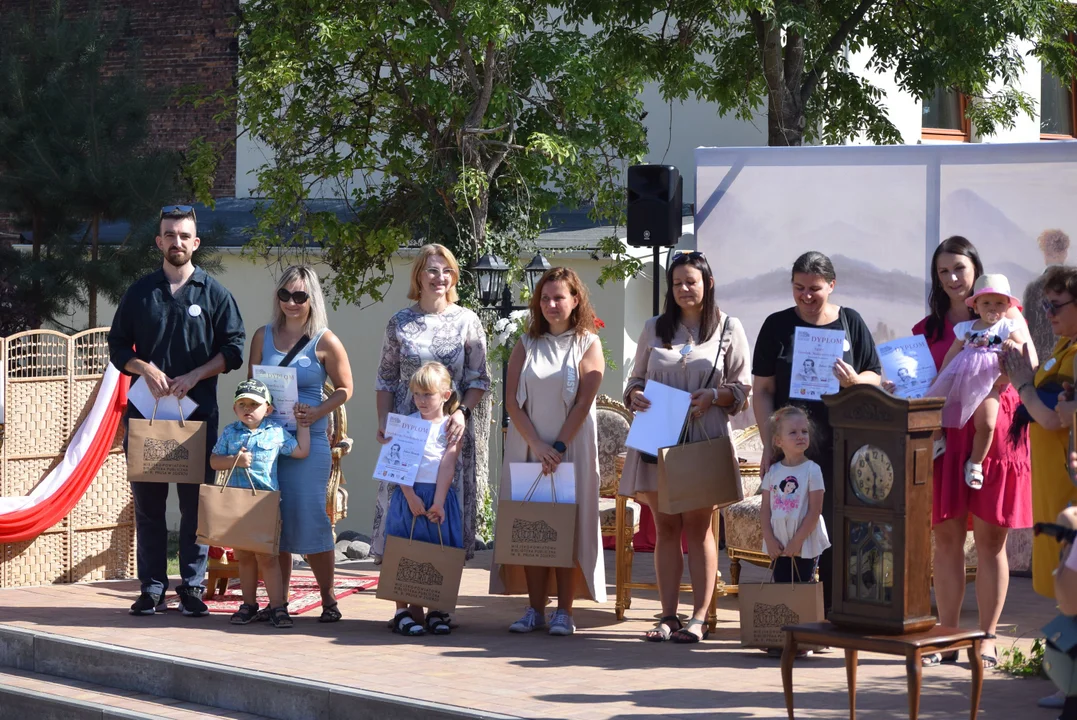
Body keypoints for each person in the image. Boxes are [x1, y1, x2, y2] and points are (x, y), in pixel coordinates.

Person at [108, 204, 246, 617]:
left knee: (194, 507)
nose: (177, 242)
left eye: (184, 235)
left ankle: (192, 588)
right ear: (159, 241)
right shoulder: (140, 292)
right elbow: (117, 347)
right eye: (170, 234)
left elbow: (234, 349)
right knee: (148, 507)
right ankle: (151, 588)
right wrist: (144, 368)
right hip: (147, 417)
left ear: (196, 242)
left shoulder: (215, 293)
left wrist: (197, 375)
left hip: (196, 418)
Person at [911, 237, 1031, 670]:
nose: (952, 279)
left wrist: (1005, 377)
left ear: (975, 270)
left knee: (989, 540)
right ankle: (946, 631)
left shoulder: (1009, 315)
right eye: (943, 272)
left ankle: (986, 635)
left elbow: (1028, 368)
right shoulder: (929, 329)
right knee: (944, 540)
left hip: (995, 432)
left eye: (959, 269)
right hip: (946, 434)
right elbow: (923, 382)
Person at [619, 251, 751, 643]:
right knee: (665, 527)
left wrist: (715, 394)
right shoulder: (654, 327)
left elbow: (742, 388)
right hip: (657, 433)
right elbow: (635, 378)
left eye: (691, 281)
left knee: (698, 528)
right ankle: (668, 615)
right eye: (676, 283)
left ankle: (699, 618)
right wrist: (635, 395)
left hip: (704, 436)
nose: (683, 289)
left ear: (707, 283)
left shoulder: (729, 328)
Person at [752, 250, 881, 614]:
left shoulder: (850, 321)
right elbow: (762, 391)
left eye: (815, 288)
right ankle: (790, 618)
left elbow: (874, 372)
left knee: (837, 530)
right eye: (798, 288)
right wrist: (769, 444)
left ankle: (836, 612)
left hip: (841, 449)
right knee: (788, 529)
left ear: (832, 285)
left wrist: (855, 381)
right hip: (790, 455)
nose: (807, 296)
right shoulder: (776, 325)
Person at [491, 267, 605, 637]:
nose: (552, 304)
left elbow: (585, 401)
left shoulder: (588, 342)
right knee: (533, 526)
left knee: (566, 527)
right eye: (545, 298)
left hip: (570, 449)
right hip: (529, 448)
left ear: (575, 301)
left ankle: (565, 612)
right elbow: (511, 401)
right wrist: (538, 446)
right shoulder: (526, 342)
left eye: (559, 297)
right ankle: (534, 609)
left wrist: (557, 447)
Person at [246, 265, 353, 623]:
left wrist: (317, 410)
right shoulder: (262, 336)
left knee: (311, 520)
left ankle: (328, 598)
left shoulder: (325, 340)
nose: (292, 302)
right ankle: (280, 602)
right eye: (285, 295)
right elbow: (251, 388)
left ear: (312, 300)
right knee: (276, 523)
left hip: (310, 444)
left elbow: (345, 388)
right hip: (270, 444)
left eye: (300, 296)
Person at [373, 244, 489, 563]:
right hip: (407, 427)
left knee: (442, 509)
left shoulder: (467, 321)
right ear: (419, 276)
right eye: (432, 270)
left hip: (449, 428)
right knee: (404, 506)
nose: (440, 277)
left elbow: (480, 380)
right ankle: (404, 604)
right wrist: (383, 420)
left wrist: (462, 413)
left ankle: (439, 599)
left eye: (447, 270)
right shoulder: (400, 322)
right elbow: (385, 379)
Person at [210, 379, 310, 629]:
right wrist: (235, 459)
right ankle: (248, 604)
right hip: (237, 503)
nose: (247, 408)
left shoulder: (275, 433)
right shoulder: (230, 432)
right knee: (243, 555)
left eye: (254, 404)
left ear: (268, 409)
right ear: (234, 409)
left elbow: (300, 451)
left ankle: (278, 606)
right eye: (242, 404)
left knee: (267, 557)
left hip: (265, 503)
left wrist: (303, 425)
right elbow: (213, 461)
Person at [925, 273, 1031, 489]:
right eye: (986, 302)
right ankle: (938, 440)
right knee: (931, 404)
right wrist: (941, 375)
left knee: (987, 423)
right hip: (962, 378)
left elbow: (1024, 348)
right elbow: (952, 353)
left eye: (999, 303)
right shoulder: (966, 328)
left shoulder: (1007, 326)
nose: (993, 307)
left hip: (989, 383)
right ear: (976, 306)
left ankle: (975, 463)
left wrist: (1014, 346)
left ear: (1008, 305)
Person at [384, 362, 464, 637]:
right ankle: (402, 611)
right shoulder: (406, 424)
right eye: (416, 394)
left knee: (438, 549)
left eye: (427, 394)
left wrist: (439, 501)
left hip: (438, 497)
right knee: (406, 549)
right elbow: (398, 463)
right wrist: (409, 496)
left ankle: (437, 609)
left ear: (445, 394)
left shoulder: (450, 426)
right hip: (410, 496)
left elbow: (447, 464)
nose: (420, 400)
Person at [760, 405, 829, 656]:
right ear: (778, 441)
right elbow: (765, 509)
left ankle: (805, 637)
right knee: (781, 585)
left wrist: (798, 541)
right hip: (779, 539)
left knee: (802, 585)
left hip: (804, 539)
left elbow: (814, 511)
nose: (801, 436)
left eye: (804, 431)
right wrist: (769, 537)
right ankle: (785, 636)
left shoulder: (812, 470)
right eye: (793, 432)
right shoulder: (773, 472)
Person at [1023, 229, 1071, 364]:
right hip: (1070, 358)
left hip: (1040, 359)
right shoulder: (1074, 285)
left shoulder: (1033, 288)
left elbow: (1027, 326)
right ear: (1065, 252)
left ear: (1045, 253)